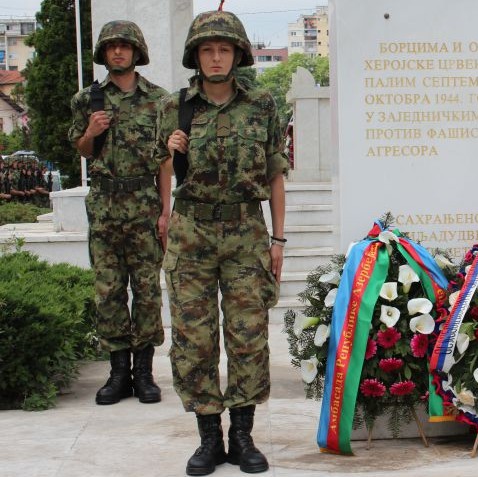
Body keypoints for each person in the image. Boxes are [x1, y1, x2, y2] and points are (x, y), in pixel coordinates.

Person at [156, 10, 287, 476]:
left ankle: (243, 435)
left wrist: (278, 239)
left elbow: (275, 173)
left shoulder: (262, 104)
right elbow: (162, 171)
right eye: (208, 50)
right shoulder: (174, 107)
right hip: (191, 232)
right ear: (196, 56)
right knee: (194, 338)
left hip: (246, 233)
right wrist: (171, 159)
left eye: (224, 50)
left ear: (238, 55)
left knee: (248, 335)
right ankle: (209, 437)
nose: (216, 58)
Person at [68, 21, 168, 405]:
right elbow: (82, 149)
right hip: (105, 207)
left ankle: (144, 373)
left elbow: (165, 161)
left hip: (144, 205)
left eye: (125, 46)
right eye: (112, 47)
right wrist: (91, 132)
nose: (118, 52)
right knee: (108, 290)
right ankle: (118, 373)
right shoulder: (86, 100)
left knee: (146, 290)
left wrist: (165, 212)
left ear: (137, 51)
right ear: (103, 53)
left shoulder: (158, 100)